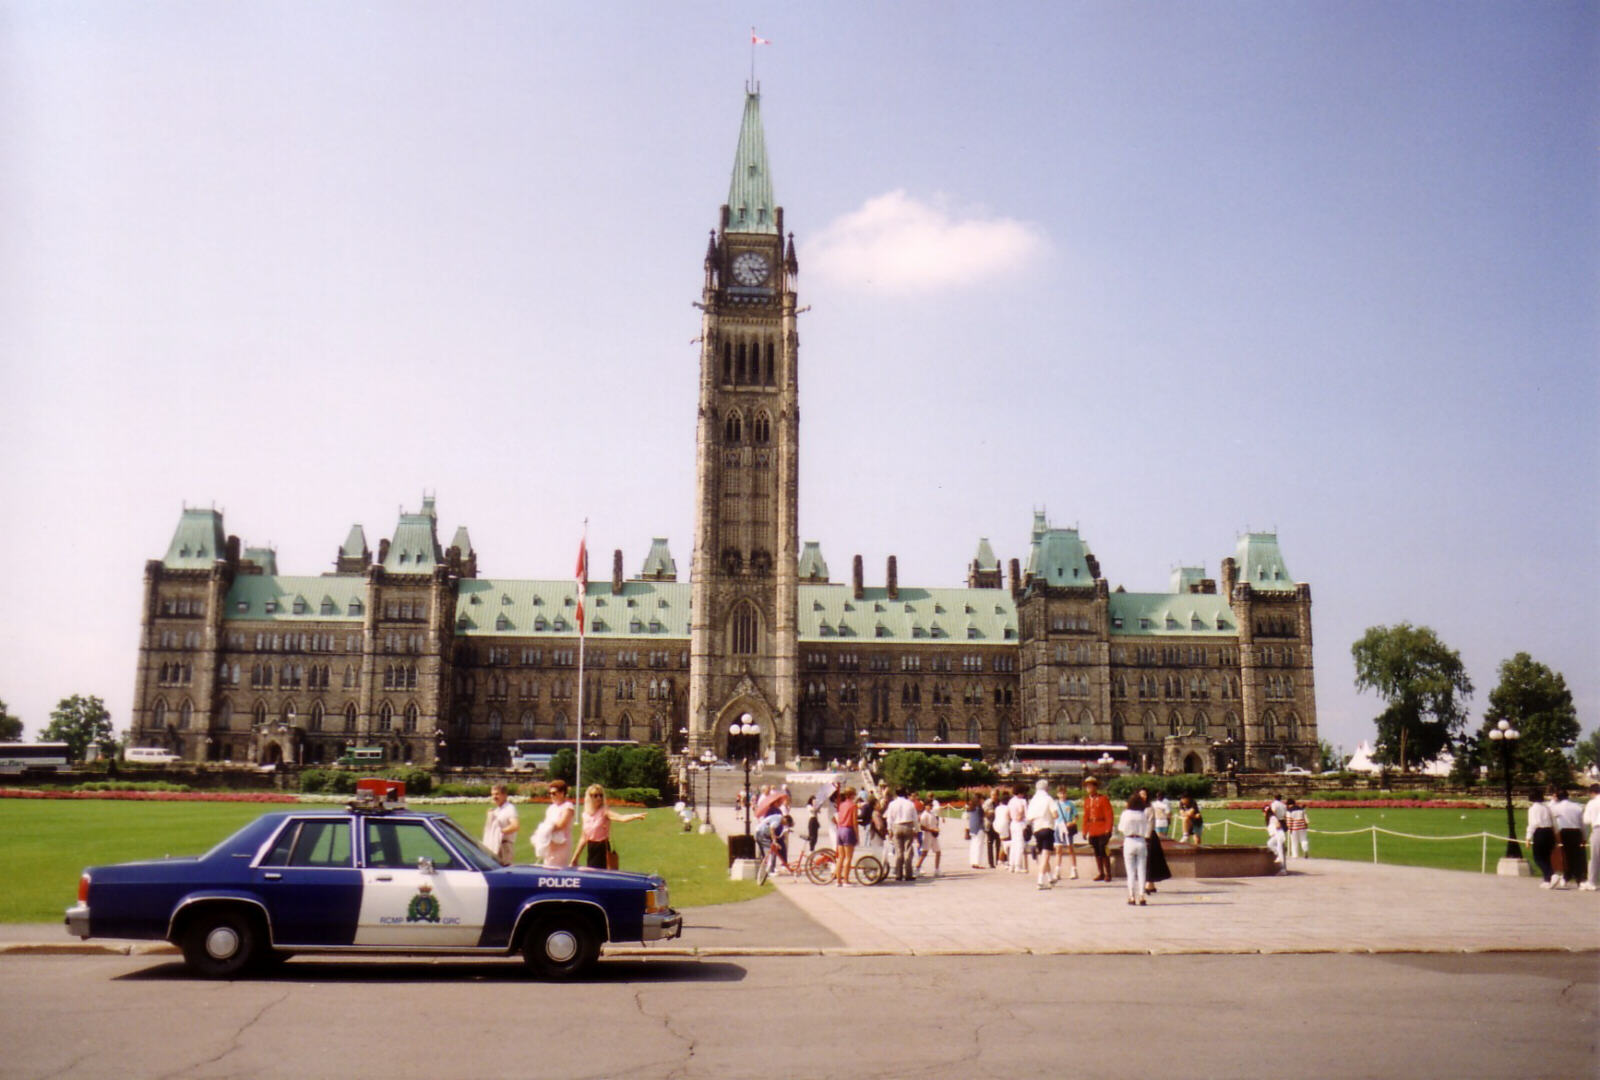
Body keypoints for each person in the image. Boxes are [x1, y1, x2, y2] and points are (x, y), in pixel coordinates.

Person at [574, 784, 646, 870]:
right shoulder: (585, 815)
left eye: (601, 795)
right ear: (589, 797)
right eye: (595, 795)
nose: (599, 798)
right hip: (591, 848)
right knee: (592, 875)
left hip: (602, 848)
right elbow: (583, 838)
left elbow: (621, 818)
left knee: (600, 876)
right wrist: (575, 858)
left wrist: (635, 816)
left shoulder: (604, 812)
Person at [1080, 777, 1115, 882]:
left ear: (1095, 787)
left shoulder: (1103, 799)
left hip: (1102, 827)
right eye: (1087, 786)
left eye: (1091, 786)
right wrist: (1084, 830)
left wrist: (1108, 828)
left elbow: (1109, 815)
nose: (1088, 788)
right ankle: (1101, 873)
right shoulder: (1087, 801)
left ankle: (1108, 873)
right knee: (1096, 852)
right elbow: (1086, 817)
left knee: (1103, 850)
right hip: (1093, 828)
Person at [1118, 791, 1151, 905]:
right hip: (1141, 841)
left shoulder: (1125, 814)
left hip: (1129, 840)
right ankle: (1141, 895)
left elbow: (1121, 828)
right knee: (1142, 871)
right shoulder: (1142, 814)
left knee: (1130, 871)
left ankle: (1131, 896)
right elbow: (1147, 829)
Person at [1026, 779, 1059, 889]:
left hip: (1037, 829)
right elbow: (1055, 815)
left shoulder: (1033, 800)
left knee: (1044, 854)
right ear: (1046, 788)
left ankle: (1050, 878)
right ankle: (1040, 880)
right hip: (1047, 827)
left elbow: (1029, 817)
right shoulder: (1048, 799)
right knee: (1046, 855)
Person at [1139, 786, 1171, 895]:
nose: (1143, 796)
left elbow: (1150, 824)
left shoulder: (1149, 808)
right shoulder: (1136, 808)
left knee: (1150, 861)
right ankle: (1150, 884)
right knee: (1145, 862)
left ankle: (1149, 883)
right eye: (1141, 794)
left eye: (1145, 794)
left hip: (1149, 837)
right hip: (1139, 836)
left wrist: (1146, 838)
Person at [538, 779, 576, 868]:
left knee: (558, 869)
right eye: (550, 793)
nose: (552, 795)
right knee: (547, 867)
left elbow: (561, 824)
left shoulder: (568, 806)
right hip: (550, 843)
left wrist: (546, 828)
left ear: (562, 793)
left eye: (554, 793)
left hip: (562, 844)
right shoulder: (551, 808)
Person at [1550, 789, 1584, 889]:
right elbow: (1582, 823)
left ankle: (1566, 876)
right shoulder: (1577, 806)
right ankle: (1579, 878)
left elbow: (1550, 811)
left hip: (1564, 832)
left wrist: (1553, 800)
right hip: (1576, 831)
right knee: (1577, 856)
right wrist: (1584, 836)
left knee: (1565, 856)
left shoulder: (1557, 807)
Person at [886, 787, 920, 881]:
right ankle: (908, 874)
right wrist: (916, 829)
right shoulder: (910, 804)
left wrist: (889, 829)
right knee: (908, 850)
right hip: (908, 826)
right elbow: (915, 818)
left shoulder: (892, 804)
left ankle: (898, 874)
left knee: (898, 851)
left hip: (896, 826)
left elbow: (889, 818)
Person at [481, 783, 520, 866]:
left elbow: (515, 826)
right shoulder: (497, 810)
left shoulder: (509, 809)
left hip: (504, 847)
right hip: (495, 845)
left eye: (497, 794)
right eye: (492, 794)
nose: (494, 797)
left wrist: (499, 832)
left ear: (504, 795)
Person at [1525, 787, 1557, 887]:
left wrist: (1528, 837)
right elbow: (1554, 822)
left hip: (1540, 832)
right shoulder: (1547, 808)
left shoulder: (1533, 809)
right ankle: (1547, 880)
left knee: (1538, 857)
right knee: (1546, 856)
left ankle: (1551, 874)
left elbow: (1533, 824)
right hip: (1549, 832)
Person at [834, 785, 859, 885]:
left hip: (840, 830)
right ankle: (846, 880)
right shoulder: (853, 805)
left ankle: (838, 880)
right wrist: (857, 835)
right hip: (848, 830)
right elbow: (854, 822)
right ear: (852, 795)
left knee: (840, 857)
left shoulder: (841, 805)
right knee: (848, 857)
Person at [1054, 785, 1080, 880]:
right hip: (1059, 827)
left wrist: (1072, 822)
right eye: (1060, 793)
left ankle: (1074, 869)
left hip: (1068, 827)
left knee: (1070, 848)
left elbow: (1076, 816)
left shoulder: (1070, 804)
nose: (1062, 795)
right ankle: (1057, 870)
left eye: (1064, 793)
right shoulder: (1055, 804)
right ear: (1057, 794)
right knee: (1058, 849)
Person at [917, 795, 943, 878]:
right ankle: (917, 867)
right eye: (929, 805)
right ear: (925, 805)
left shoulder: (932, 813)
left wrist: (936, 829)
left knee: (938, 852)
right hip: (927, 835)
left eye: (931, 805)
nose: (930, 807)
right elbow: (922, 827)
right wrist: (932, 830)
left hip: (934, 836)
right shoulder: (924, 815)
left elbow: (935, 823)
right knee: (924, 853)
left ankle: (937, 869)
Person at [1581, 783, 1600, 891]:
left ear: (1592, 792)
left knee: (1595, 858)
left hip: (1598, 829)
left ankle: (1592, 881)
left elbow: (1586, 820)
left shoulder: (1592, 803)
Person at [1007, 786, 1029, 874]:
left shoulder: (1011, 801)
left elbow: (1008, 813)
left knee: (1014, 845)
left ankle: (1011, 865)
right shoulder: (1022, 801)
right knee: (1020, 845)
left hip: (1013, 823)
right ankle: (1018, 866)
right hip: (1020, 823)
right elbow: (1025, 813)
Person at [964, 790, 987, 869]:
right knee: (979, 846)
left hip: (972, 828)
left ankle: (973, 861)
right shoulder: (979, 808)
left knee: (973, 845)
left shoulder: (971, 808)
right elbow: (982, 818)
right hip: (979, 828)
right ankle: (977, 863)